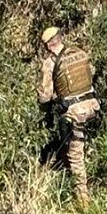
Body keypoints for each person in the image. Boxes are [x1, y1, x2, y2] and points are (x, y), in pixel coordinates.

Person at [36, 26, 100, 204]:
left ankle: (83, 200)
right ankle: (72, 170)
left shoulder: (49, 64)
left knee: (75, 154)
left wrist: (45, 112)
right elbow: (91, 73)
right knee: (71, 145)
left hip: (75, 113)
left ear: (49, 45)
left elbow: (45, 95)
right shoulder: (79, 53)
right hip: (92, 106)